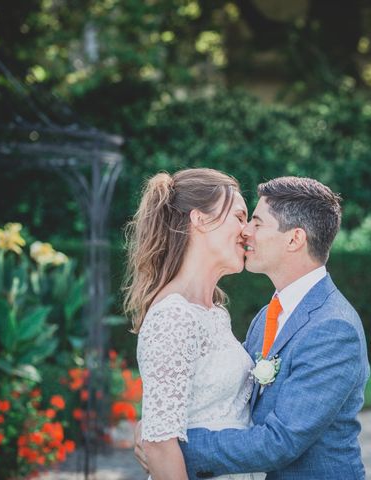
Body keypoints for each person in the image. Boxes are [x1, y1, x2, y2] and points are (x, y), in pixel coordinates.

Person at [135, 176, 371, 479]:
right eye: (241, 218)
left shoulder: (333, 327)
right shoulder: (267, 316)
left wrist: (170, 445)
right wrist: (157, 430)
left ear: (294, 239)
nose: (246, 231)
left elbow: (280, 441)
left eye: (256, 222)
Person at [124, 168, 264, 480]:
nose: (247, 231)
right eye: (240, 217)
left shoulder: (213, 312)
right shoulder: (174, 315)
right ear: (199, 220)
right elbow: (160, 445)